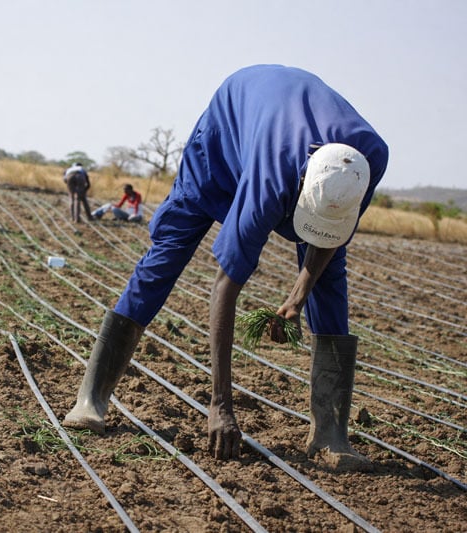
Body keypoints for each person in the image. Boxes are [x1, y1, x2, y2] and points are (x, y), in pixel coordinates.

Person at [62, 65, 389, 471]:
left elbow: (333, 236)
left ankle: (330, 432)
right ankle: (91, 397)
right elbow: (225, 287)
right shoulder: (270, 180)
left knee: (329, 278)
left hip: (284, 129)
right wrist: (221, 406)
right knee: (170, 253)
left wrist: (296, 297)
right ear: (300, 187)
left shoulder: (368, 158)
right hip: (223, 138)